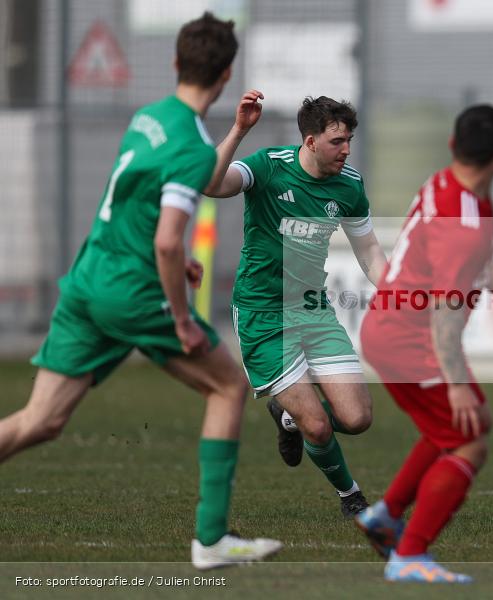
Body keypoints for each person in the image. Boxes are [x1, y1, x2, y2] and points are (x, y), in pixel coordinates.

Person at [0, 13, 282, 568]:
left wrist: (236, 134)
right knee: (226, 388)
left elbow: (137, 200)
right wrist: (180, 314)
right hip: (131, 291)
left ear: (176, 63)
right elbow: (169, 241)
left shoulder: (148, 117)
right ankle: (212, 540)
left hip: (88, 280)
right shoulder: (190, 148)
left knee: (42, 421)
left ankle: (214, 540)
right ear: (226, 75)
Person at [204, 95, 386, 518]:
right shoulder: (269, 166)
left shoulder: (349, 185)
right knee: (319, 426)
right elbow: (212, 185)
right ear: (310, 141)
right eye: (337, 141)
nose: (346, 149)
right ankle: (351, 496)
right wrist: (239, 130)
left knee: (357, 418)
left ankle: (286, 417)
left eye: (350, 140)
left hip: (312, 309)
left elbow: (370, 251)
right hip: (262, 314)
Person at [355, 105, 493, 583]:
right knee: (469, 440)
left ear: (452, 146)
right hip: (410, 338)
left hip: (395, 329)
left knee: (462, 422)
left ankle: (386, 514)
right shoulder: (462, 225)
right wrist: (457, 382)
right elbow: (446, 315)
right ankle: (410, 554)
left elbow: (479, 263)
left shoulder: (447, 184)